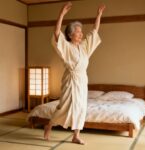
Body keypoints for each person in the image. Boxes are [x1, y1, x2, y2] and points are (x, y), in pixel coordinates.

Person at [44, 1, 105, 145]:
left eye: (80, 31)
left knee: (81, 107)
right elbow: (57, 33)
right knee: (64, 107)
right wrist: (62, 14)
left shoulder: (84, 47)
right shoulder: (66, 46)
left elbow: (94, 32)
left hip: (82, 80)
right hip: (70, 80)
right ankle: (49, 125)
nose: (81, 33)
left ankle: (75, 135)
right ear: (71, 35)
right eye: (78, 31)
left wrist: (99, 15)